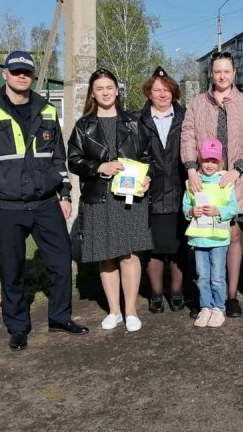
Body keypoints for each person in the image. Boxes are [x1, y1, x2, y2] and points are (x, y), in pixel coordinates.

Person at [0, 50, 88, 351]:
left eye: (27, 72)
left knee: (61, 263)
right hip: (7, 206)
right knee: (13, 269)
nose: (21, 76)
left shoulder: (47, 111)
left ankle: (60, 317)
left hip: (46, 203)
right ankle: (17, 326)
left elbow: (58, 158)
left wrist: (66, 194)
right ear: (5, 74)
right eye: (16, 71)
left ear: (33, 77)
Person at [67, 68, 153, 332]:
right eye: (99, 89)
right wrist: (98, 168)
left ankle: (130, 311)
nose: (105, 92)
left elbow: (147, 156)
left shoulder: (133, 122)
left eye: (109, 87)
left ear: (117, 90)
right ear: (93, 94)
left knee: (128, 255)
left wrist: (147, 177)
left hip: (129, 198)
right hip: (99, 198)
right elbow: (73, 160)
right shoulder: (84, 125)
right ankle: (114, 310)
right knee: (106, 256)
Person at [181, 51, 243, 318]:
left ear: (234, 73)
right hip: (204, 179)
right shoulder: (197, 103)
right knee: (204, 236)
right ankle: (208, 297)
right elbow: (188, 136)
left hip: (233, 179)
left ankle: (231, 296)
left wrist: (238, 169)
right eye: (217, 71)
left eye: (227, 71)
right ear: (211, 74)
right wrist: (192, 170)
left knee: (233, 235)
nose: (222, 76)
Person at [138, 66, 188, 313]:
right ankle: (156, 294)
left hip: (181, 191)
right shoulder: (138, 119)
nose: (162, 94)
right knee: (154, 248)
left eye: (166, 89)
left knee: (179, 247)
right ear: (149, 93)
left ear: (173, 92)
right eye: (156, 90)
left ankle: (177, 292)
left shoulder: (186, 117)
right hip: (151, 192)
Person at [182, 138, 239, 328]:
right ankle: (205, 307)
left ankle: (218, 308)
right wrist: (191, 212)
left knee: (217, 276)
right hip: (199, 240)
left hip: (219, 239)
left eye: (214, 161)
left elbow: (233, 208)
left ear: (220, 162)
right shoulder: (192, 182)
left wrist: (219, 212)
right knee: (202, 276)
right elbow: (186, 206)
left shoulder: (225, 183)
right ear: (199, 160)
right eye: (206, 160)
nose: (209, 165)